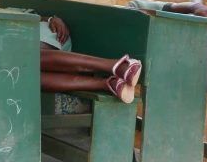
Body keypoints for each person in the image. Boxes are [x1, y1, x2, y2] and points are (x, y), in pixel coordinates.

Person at [10, 9, 142, 103]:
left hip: (47, 37)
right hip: (22, 61)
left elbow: (30, 16)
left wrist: (52, 19)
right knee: (27, 76)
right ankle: (109, 84)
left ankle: (116, 65)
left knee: (27, 57)